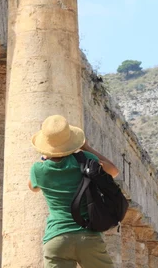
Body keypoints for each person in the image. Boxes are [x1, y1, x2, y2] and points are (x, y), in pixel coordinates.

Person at [28, 114, 119, 268]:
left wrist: (45, 159)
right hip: (87, 236)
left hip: (56, 237)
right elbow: (113, 171)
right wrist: (86, 148)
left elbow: (33, 187)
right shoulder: (86, 160)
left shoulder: (38, 170)